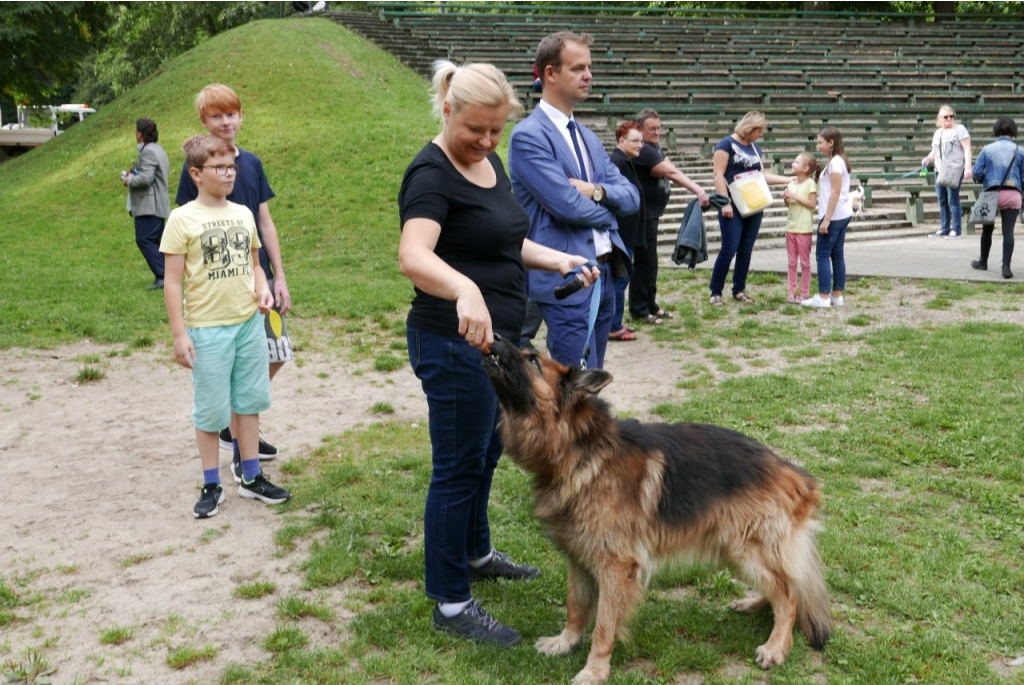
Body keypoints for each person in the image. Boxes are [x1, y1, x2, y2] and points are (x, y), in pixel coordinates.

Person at [398, 60, 598, 647]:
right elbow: (414, 255)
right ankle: (452, 602)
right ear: (447, 110)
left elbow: (506, 238)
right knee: (458, 466)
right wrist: (463, 288)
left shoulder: (489, 163)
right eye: (475, 130)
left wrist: (557, 259)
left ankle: (477, 552)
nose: (486, 142)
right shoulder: (431, 175)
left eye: (496, 131)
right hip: (450, 341)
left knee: (487, 453)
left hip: (497, 344)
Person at [160, 134, 292, 519]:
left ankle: (251, 477)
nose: (229, 173)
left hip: (248, 323)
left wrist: (263, 289)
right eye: (219, 167)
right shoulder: (182, 219)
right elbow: (172, 281)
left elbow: (255, 263)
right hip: (207, 329)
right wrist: (179, 333)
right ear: (196, 173)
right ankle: (211, 483)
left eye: (232, 166)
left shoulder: (243, 214)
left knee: (249, 401)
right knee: (211, 411)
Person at [175, 84, 291, 473]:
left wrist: (279, 277)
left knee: (276, 353)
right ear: (204, 122)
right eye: (216, 116)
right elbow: (190, 226)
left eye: (231, 114)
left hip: (258, 280)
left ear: (241, 116)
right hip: (219, 292)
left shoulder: (252, 164)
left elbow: (265, 221)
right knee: (234, 372)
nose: (225, 122)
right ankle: (238, 436)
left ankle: (237, 425)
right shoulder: (196, 165)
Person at [508, 31, 639, 370]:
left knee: (591, 380)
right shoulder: (528, 136)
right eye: (578, 67)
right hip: (568, 276)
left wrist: (597, 191)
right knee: (573, 385)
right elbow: (567, 204)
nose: (589, 75)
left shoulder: (589, 138)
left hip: (607, 270)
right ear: (550, 74)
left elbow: (631, 197)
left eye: (589, 67)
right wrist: (609, 213)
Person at [631, 108, 709, 324]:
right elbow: (671, 172)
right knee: (644, 262)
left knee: (652, 261)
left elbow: (670, 168)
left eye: (658, 128)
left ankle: (650, 304)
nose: (656, 132)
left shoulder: (654, 147)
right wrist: (699, 191)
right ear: (640, 129)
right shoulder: (644, 150)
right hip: (642, 215)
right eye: (651, 129)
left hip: (652, 214)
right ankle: (638, 309)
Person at [709, 111, 794, 306]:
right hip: (732, 205)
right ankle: (715, 291)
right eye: (759, 131)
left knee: (746, 249)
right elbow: (718, 175)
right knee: (729, 248)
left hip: (753, 203)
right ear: (750, 128)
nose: (760, 135)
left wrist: (787, 179)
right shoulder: (726, 144)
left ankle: (739, 289)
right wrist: (725, 202)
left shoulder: (755, 149)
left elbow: (761, 176)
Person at [802, 126, 854, 308]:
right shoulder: (837, 161)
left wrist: (826, 220)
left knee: (822, 255)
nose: (818, 146)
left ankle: (823, 296)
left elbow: (835, 192)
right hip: (842, 213)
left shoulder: (835, 163)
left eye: (820, 142)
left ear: (831, 143)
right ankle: (836, 295)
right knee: (837, 254)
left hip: (834, 215)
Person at [970, 116, 1023, 279]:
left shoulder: (987, 149)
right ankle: (1006, 267)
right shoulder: (1020, 150)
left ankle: (983, 262)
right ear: (1013, 131)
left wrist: (984, 178)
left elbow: (977, 173)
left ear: (996, 131)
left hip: (992, 193)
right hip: (1013, 194)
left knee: (987, 230)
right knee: (1008, 231)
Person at [608, 120, 646, 341]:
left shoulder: (626, 161)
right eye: (635, 141)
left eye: (641, 141)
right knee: (619, 280)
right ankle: (613, 326)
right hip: (621, 234)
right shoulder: (616, 162)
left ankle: (615, 323)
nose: (640, 145)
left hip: (628, 233)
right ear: (621, 140)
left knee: (622, 279)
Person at [122, 118, 170, 290]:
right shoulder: (158, 150)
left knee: (144, 239)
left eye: (136, 131)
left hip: (149, 205)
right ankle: (168, 275)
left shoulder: (148, 152)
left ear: (140, 134)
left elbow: (146, 178)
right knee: (157, 242)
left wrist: (129, 180)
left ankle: (162, 275)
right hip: (158, 204)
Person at [922, 105, 972, 239]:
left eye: (951, 116)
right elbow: (934, 150)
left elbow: (967, 149)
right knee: (942, 199)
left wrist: (968, 167)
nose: (949, 119)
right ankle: (944, 227)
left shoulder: (960, 130)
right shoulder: (938, 133)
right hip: (939, 168)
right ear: (940, 118)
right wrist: (928, 158)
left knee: (953, 199)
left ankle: (956, 229)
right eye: (946, 117)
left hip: (954, 168)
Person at [782, 152, 819, 303]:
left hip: (804, 229)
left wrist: (795, 196)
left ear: (805, 168)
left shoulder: (810, 183)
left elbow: (812, 204)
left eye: (796, 162)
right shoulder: (791, 184)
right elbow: (790, 205)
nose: (792, 164)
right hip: (791, 227)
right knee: (791, 262)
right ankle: (791, 291)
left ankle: (804, 293)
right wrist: (787, 199)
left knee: (805, 263)